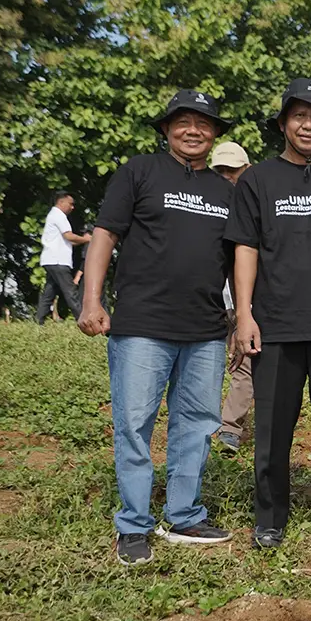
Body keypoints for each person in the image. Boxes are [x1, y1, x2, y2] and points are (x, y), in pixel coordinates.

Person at [79, 89, 236, 566]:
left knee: (197, 424)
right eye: (183, 121)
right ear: (167, 129)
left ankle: (184, 515)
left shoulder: (226, 192)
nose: (193, 130)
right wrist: (91, 300)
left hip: (206, 328)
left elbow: (239, 261)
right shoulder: (139, 171)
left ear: (214, 134)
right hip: (142, 325)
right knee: (133, 422)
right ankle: (133, 525)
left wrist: (244, 319)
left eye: (203, 123)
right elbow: (105, 234)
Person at [228, 80, 311, 550]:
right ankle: (270, 517)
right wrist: (244, 315)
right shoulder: (257, 181)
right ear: (284, 123)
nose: (309, 125)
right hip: (275, 325)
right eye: (300, 116)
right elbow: (245, 249)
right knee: (271, 430)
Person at [209, 141, 254, 453]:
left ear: (246, 170)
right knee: (237, 363)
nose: (226, 176)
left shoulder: (256, 203)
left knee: (246, 362)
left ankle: (231, 429)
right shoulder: (211, 205)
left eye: (232, 170)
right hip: (218, 302)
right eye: (220, 170)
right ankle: (228, 428)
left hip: (250, 302)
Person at [35, 191, 91, 324]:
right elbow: (69, 236)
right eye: (70, 204)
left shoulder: (53, 215)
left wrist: (83, 240)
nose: (72, 207)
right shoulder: (59, 215)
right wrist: (86, 239)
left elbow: (70, 241)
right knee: (71, 291)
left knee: (49, 292)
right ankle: (83, 321)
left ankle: (38, 321)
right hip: (58, 260)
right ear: (61, 202)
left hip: (51, 259)